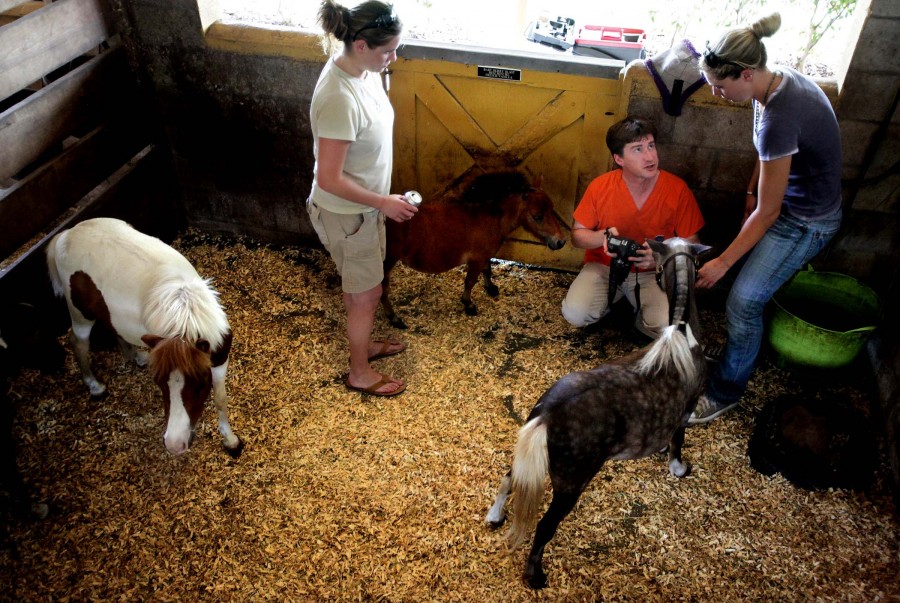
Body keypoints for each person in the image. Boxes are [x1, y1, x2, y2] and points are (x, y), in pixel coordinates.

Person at [689, 12, 843, 423]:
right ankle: (737, 355)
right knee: (743, 293)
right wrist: (750, 191)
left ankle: (726, 390)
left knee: (743, 300)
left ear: (744, 74)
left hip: (807, 220)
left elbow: (770, 212)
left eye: (720, 87)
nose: (718, 95)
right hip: (786, 203)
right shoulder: (775, 83)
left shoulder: (780, 115)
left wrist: (722, 262)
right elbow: (769, 156)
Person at [308, 0, 417, 397]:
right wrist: (382, 202)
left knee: (365, 289)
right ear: (359, 46)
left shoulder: (365, 71)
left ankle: (363, 345)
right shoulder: (339, 97)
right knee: (365, 295)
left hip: (366, 208)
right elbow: (329, 178)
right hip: (347, 214)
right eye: (387, 50)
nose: (393, 57)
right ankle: (358, 371)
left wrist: (380, 199)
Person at [561, 116, 705, 339]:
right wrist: (602, 238)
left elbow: (693, 242)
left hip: (652, 273)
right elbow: (577, 236)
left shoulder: (677, 189)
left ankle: (639, 319)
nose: (650, 156)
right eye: (637, 149)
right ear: (619, 158)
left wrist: (660, 256)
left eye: (651, 146)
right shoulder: (601, 186)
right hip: (605, 266)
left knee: (667, 328)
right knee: (575, 314)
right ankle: (611, 304)